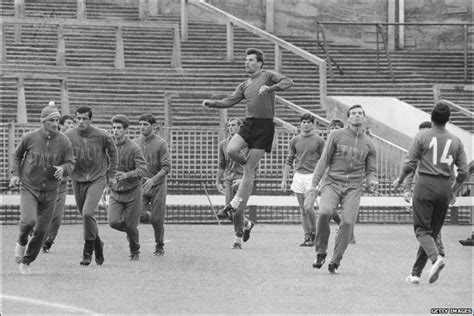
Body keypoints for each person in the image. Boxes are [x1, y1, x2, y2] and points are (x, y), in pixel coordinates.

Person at [202, 48, 294, 230]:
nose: (247, 63)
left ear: (259, 63)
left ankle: (233, 205)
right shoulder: (244, 85)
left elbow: (288, 81)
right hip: (249, 123)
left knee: (248, 170)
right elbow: (230, 101)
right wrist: (212, 104)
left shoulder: (267, 75)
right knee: (231, 150)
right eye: (246, 60)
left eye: (251, 60)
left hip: (265, 126)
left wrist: (271, 88)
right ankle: (248, 169)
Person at [393, 101, 468, 284]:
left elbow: (410, 163)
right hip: (444, 187)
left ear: (431, 118)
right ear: (447, 120)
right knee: (431, 233)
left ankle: (436, 259)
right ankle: (416, 274)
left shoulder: (422, 137)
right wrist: (453, 191)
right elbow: (464, 171)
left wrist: (400, 180)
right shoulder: (456, 141)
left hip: (425, 184)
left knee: (421, 230)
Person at [308, 105, 377, 274]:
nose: (356, 116)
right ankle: (321, 251)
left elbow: (371, 170)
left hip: (354, 187)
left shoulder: (369, 143)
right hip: (332, 183)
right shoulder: (336, 135)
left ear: (364, 118)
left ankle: (335, 260)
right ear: (348, 118)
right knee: (324, 212)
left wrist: (372, 180)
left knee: (347, 222)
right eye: (353, 113)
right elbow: (324, 160)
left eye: (360, 113)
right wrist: (314, 184)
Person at [10, 103, 74, 274]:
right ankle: (21, 241)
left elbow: (71, 162)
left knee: (42, 231)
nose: (55, 123)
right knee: (28, 221)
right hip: (29, 187)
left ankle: (26, 261)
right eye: (52, 120)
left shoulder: (64, 141)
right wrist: (15, 174)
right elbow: (17, 155)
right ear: (43, 121)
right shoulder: (29, 137)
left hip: (51, 190)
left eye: (57, 120)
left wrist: (64, 169)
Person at [66, 106, 118, 266]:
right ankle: (98, 244)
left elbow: (113, 151)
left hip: (97, 178)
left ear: (90, 120)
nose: (81, 122)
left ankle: (88, 250)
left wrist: (111, 174)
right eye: (78, 118)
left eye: (84, 119)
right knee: (85, 215)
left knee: (88, 213)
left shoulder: (101, 135)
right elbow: (60, 153)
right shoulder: (68, 136)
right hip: (78, 179)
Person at [402, 121, 445, 260]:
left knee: (426, 226)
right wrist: (407, 189)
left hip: (439, 190)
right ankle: (435, 249)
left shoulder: (442, 150)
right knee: (424, 224)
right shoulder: (417, 149)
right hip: (423, 190)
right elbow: (410, 169)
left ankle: (435, 250)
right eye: (420, 133)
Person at [281, 113, 325, 247]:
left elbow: (324, 161)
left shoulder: (319, 141)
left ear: (313, 124)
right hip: (299, 176)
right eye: (304, 122)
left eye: (308, 122)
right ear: (300, 124)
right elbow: (289, 160)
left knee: (308, 206)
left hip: (313, 177)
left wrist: (322, 179)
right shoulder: (294, 140)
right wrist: (284, 179)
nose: (306, 124)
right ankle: (307, 237)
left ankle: (315, 233)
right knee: (302, 209)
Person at [107, 115, 147, 260]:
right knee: (113, 222)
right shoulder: (109, 147)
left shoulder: (134, 148)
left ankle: (135, 251)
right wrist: (107, 182)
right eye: (114, 127)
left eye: (118, 128)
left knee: (131, 226)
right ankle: (131, 231)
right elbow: (105, 166)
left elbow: (143, 170)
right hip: (116, 192)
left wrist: (126, 175)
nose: (115, 130)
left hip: (133, 192)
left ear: (125, 130)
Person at [135, 114, 171, 256]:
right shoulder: (135, 143)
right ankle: (135, 246)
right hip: (140, 186)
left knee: (157, 219)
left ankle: (159, 245)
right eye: (140, 124)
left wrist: (153, 180)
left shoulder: (160, 143)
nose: (142, 127)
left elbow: (166, 167)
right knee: (138, 215)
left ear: (154, 127)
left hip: (157, 186)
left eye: (145, 124)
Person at [216, 118, 255, 249]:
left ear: (240, 127)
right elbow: (221, 164)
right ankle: (248, 224)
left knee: (237, 211)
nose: (231, 127)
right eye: (229, 125)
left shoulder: (248, 144)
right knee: (229, 213)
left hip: (242, 179)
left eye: (233, 125)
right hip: (228, 179)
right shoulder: (223, 144)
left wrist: (244, 179)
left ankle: (237, 239)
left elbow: (254, 165)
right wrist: (217, 181)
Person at [42, 114, 76, 253]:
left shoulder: (71, 141)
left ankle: (48, 241)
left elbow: (72, 162)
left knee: (57, 216)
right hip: (45, 183)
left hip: (62, 184)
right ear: (60, 125)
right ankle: (39, 235)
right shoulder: (50, 139)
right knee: (43, 214)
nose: (72, 125)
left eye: (72, 123)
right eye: (68, 123)